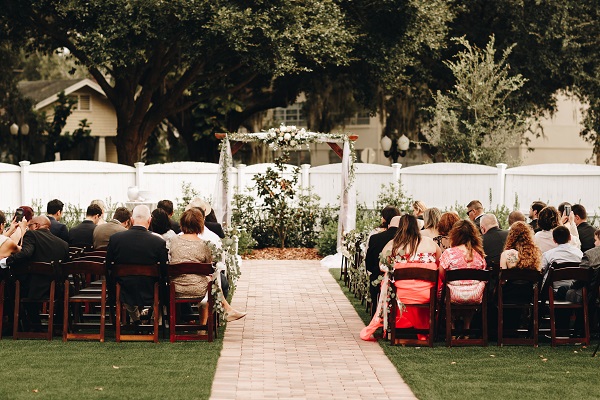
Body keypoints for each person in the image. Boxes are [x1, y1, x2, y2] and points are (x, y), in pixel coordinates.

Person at [360, 214, 441, 341]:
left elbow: (382, 265)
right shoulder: (430, 243)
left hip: (400, 294)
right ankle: (425, 329)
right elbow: (438, 261)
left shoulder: (393, 244)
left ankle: (394, 327)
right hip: (426, 294)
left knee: (387, 284)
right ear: (417, 226)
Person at [169, 208, 245, 325]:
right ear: (200, 224)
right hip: (199, 290)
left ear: (182, 223)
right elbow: (208, 267)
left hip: (175, 288)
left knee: (210, 279)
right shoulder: (205, 245)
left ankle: (225, 310)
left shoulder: (173, 241)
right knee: (211, 279)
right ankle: (210, 320)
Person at [105, 205, 168, 325]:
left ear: (132, 220)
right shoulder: (158, 242)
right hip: (150, 289)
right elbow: (164, 271)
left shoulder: (115, 239)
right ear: (149, 221)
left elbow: (108, 266)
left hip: (124, 289)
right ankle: (155, 323)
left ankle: (136, 320)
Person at [6, 216, 69, 330]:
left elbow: (26, 253)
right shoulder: (63, 244)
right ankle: (57, 326)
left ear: (36, 226)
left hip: (33, 289)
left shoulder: (31, 235)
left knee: (12, 285)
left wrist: (7, 261)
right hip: (57, 289)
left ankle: (26, 325)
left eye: (29, 226)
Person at [439, 219, 487, 335]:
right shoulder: (479, 254)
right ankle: (467, 327)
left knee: (446, 288)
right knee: (469, 290)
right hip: (475, 296)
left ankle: (452, 327)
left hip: (454, 296)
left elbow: (441, 274)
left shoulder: (449, 253)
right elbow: (483, 275)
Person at [499, 221, 542, 331]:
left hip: (509, 294)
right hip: (528, 294)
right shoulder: (535, 254)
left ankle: (506, 329)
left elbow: (502, 280)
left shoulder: (507, 255)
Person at [365, 215, 400, 317]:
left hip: (377, 274)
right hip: (399, 280)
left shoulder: (375, 237)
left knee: (374, 280)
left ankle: (375, 311)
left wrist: (374, 271)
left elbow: (369, 260)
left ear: (389, 225)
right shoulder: (405, 240)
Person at [541, 226, 583, 299]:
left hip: (552, 293)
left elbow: (541, 271)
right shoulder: (580, 254)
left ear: (554, 240)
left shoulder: (548, 254)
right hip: (574, 291)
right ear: (570, 237)